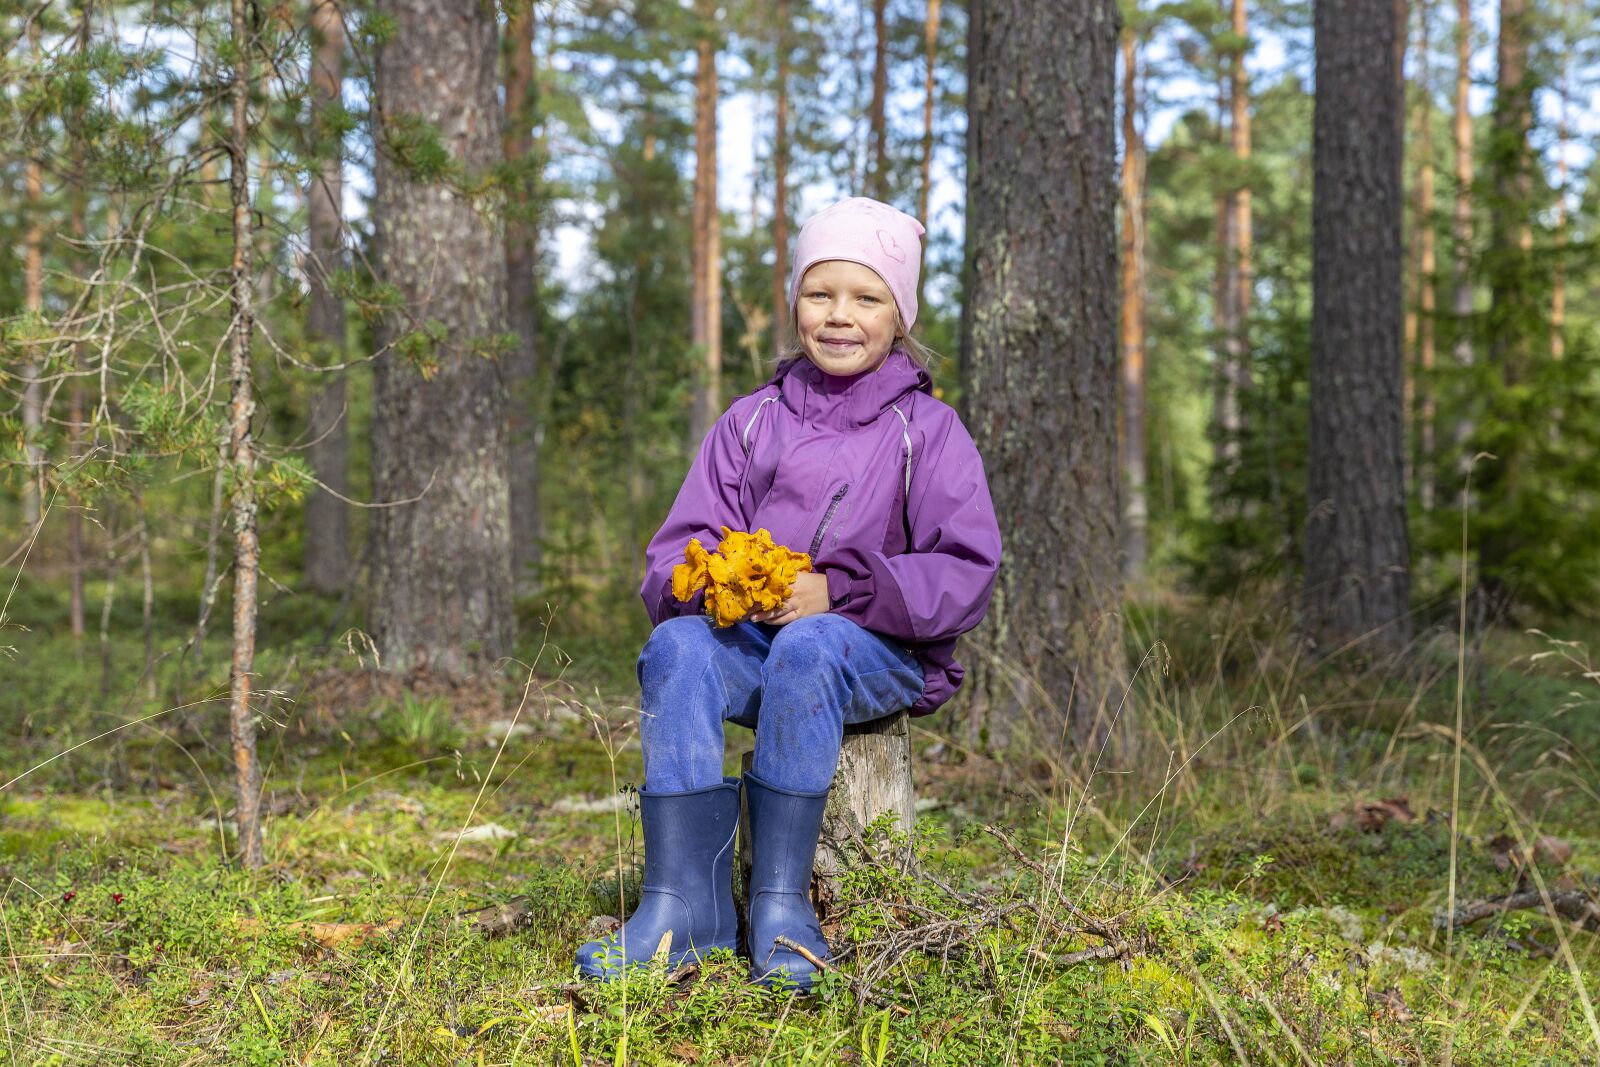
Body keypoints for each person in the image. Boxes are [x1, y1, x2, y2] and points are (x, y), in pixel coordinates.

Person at [575, 196, 1002, 991]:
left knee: (809, 643)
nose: (840, 315)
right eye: (820, 293)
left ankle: (781, 904)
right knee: (675, 647)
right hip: (755, 649)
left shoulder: (928, 431)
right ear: (795, 301)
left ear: (900, 315)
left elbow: (966, 568)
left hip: (879, 653)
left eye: (867, 297)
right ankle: (683, 905)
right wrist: (706, 586)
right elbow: (677, 547)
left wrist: (836, 592)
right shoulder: (749, 423)